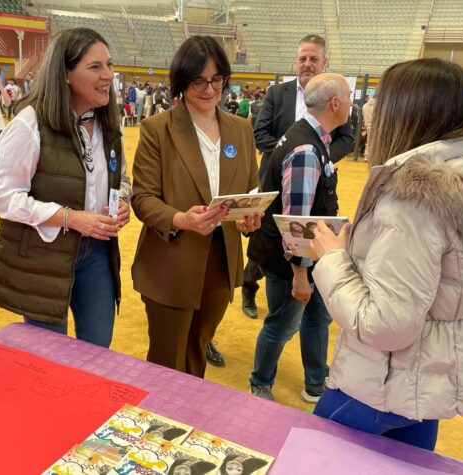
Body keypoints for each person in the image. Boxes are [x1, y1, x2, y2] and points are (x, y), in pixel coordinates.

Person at [310, 58, 463, 451]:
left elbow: (387, 325)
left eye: (382, 102)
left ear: (405, 112)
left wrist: (331, 258)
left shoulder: (413, 197)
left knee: (309, 456)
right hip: (430, 383)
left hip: (381, 385)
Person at [0, 27, 132, 349]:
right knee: (51, 361)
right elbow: (3, 197)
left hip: (97, 253)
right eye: (95, 67)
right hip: (45, 255)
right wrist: (70, 218)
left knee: (97, 350)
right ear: (65, 74)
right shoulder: (29, 123)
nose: (108, 75)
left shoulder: (110, 125)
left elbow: (121, 179)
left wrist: (122, 200)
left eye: (109, 65)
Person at [131, 35, 261, 378]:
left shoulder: (241, 129)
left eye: (216, 80)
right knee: (167, 360)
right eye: (198, 81)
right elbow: (142, 198)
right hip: (172, 262)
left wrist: (250, 217)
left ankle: (189, 422)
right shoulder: (157, 130)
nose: (208, 89)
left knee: (197, 351)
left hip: (220, 263)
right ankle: (158, 427)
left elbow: (251, 188)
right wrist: (179, 219)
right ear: (181, 82)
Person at [247, 74, 352, 403]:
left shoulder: (308, 137)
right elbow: (296, 222)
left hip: (312, 256)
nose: (352, 102)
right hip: (292, 261)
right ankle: (260, 382)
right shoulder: (307, 149)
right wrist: (300, 275)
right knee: (282, 322)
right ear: (335, 103)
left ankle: (316, 380)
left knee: (318, 316)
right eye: (348, 96)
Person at [243, 34, 353, 318]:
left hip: (315, 179)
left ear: (324, 62)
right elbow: (260, 133)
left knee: (292, 237)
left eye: (313, 59)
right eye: (302, 58)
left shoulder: (334, 93)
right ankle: (248, 288)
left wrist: (319, 155)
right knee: (267, 242)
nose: (307, 64)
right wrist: (292, 150)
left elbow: (346, 139)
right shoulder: (278, 93)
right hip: (275, 180)